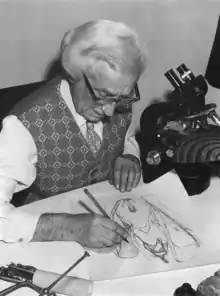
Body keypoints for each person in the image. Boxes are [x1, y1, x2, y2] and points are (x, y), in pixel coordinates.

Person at [0, 19, 147, 251]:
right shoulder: (23, 125)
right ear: (73, 75)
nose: (110, 111)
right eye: (102, 95)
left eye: (122, 97)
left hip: (109, 213)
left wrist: (129, 155)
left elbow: (127, 137)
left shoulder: (116, 100)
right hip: (50, 240)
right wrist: (69, 228)